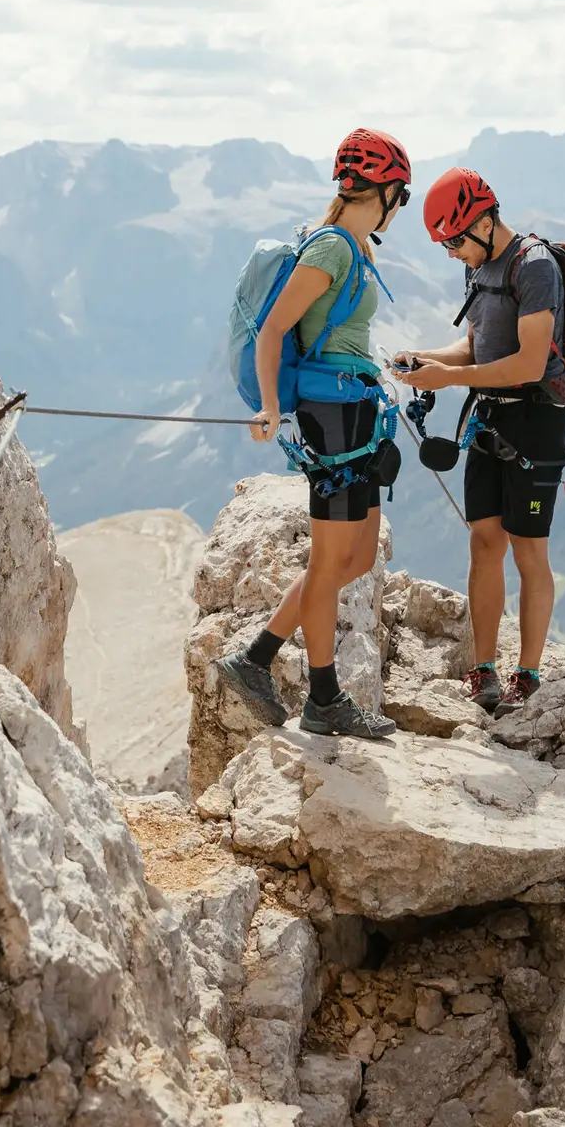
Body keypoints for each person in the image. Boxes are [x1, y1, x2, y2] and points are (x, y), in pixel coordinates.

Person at [210, 128, 412, 739]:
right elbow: (274, 331)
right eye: (399, 195)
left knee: (357, 553)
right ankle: (323, 699)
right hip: (332, 417)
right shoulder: (333, 251)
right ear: (384, 191)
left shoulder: (352, 247)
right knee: (331, 562)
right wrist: (272, 407)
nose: (398, 207)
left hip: (356, 408)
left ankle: (256, 658)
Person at [394, 167, 565, 714]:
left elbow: (527, 361)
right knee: (484, 543)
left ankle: (530, 674)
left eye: (452, 240)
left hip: (536, 423)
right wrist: (425, 359)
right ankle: (485, 669)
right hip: (491, 418)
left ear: (483, 221)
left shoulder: (535, 267)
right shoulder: (480, 267)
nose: (449, 252)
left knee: (528, 550)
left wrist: (447, 379)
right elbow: (475, 348)